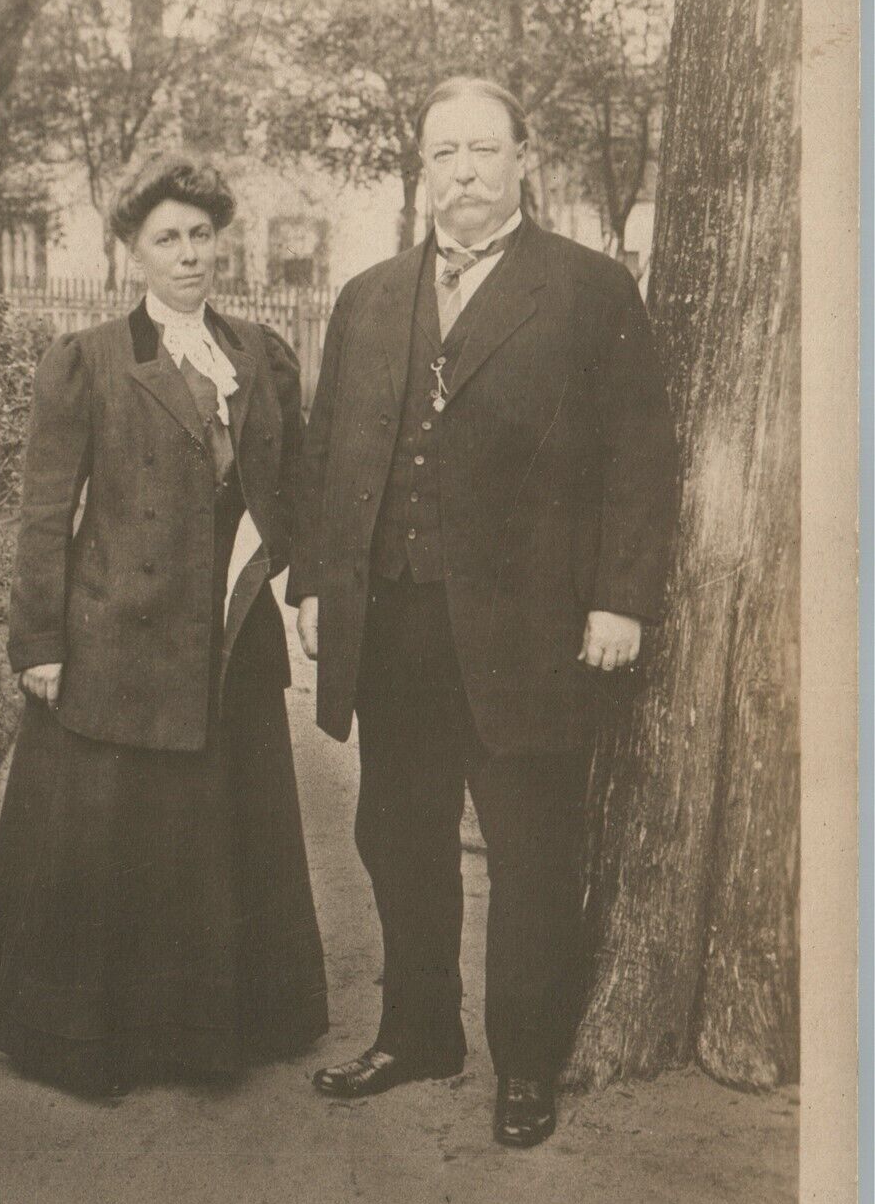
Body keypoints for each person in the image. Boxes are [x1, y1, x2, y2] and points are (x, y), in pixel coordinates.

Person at [288, 77, 676, 1147]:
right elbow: (328, 454)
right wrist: (317, 583)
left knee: (530, 851)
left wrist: (621, 600)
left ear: (523, 160)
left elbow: (640, 460)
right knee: (397, 833)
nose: (464, 172)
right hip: (397, 626)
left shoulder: (591, 289)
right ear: (424, 170)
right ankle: (419, 1034)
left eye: (483, 150)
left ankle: (526, 1063)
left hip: (532, 634)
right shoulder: (368, 296)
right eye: (444, 154)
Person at [0, 154, 327, 1097]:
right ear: (134, 252)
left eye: (202, 235)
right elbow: (45, 514)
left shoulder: (259, 354)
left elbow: (293, 490)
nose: (190, 253)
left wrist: (310, 583)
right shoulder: (88, 360)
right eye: (168, 238)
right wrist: (39, 643)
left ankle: (210, 1033)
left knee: (217, 840)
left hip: (228, 643)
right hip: (119, 639)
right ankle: (100, 1041)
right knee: (116, 847)